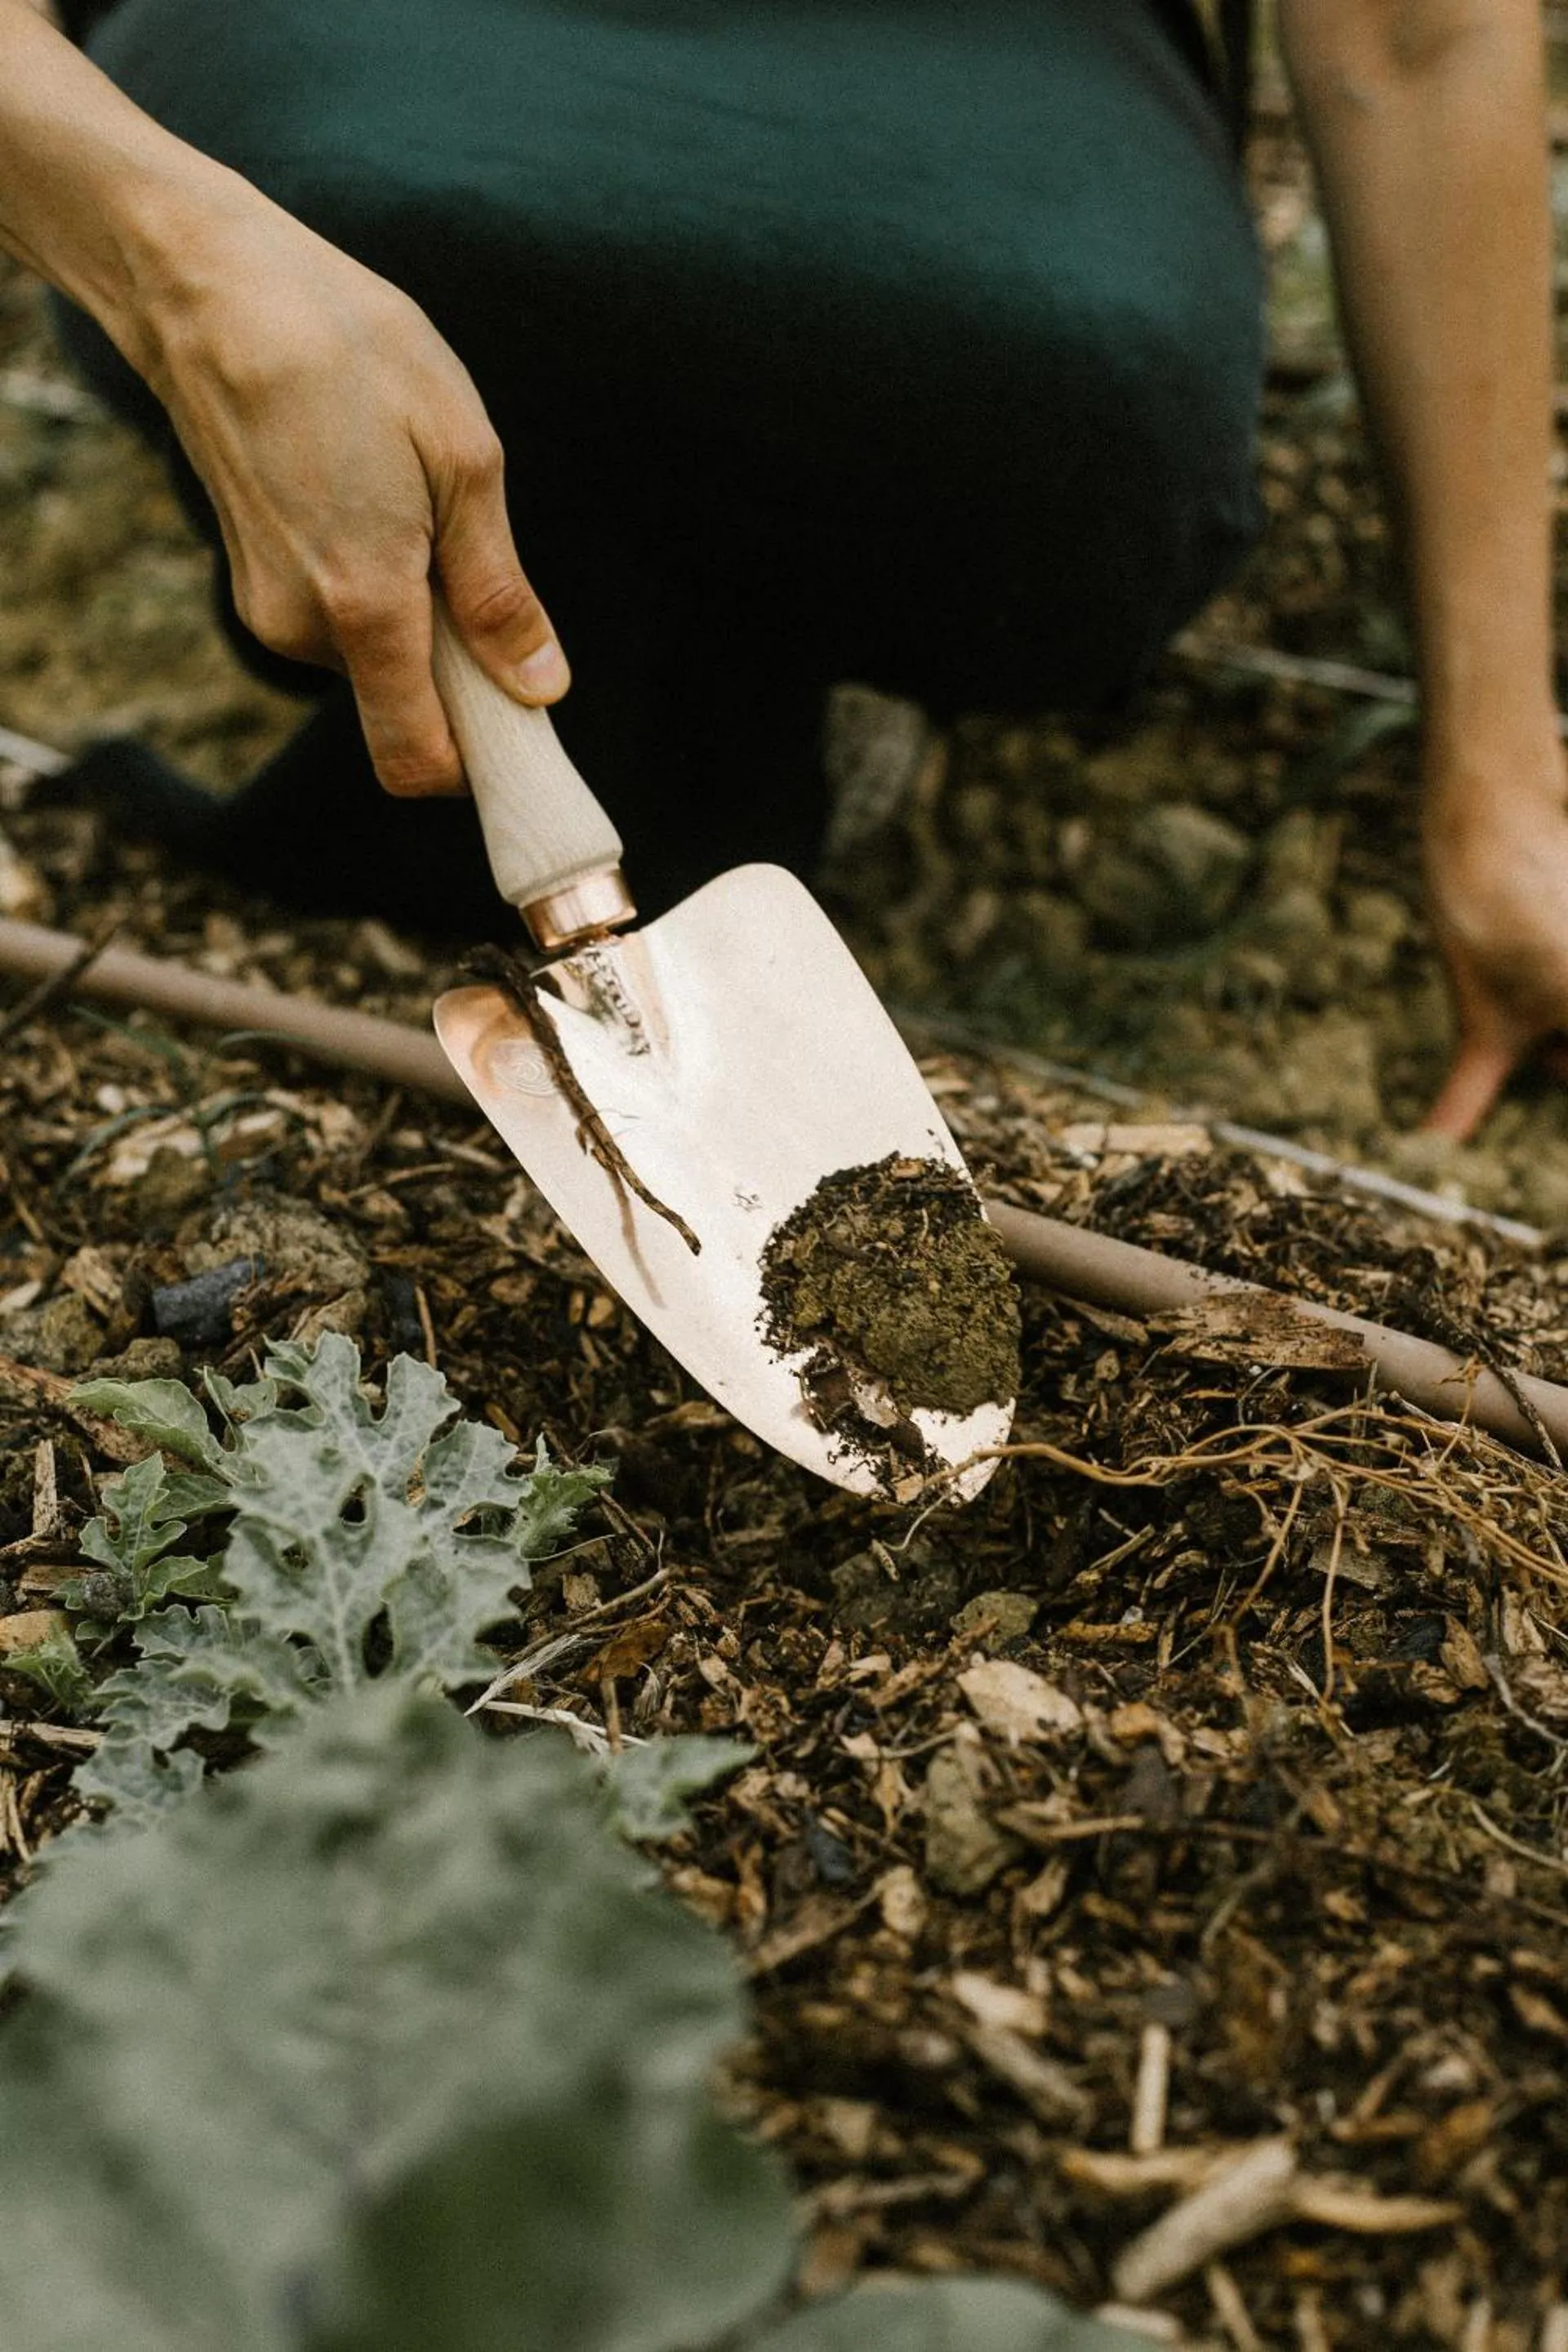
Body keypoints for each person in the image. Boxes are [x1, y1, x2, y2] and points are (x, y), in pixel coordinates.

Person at [0, 0, 1559, 1145]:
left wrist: (1501, 778)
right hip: (348, 60)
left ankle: (750, 646)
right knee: (383, 213)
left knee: (1087, 394)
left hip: (998, 53)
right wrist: (181, 262)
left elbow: (1415, 38)